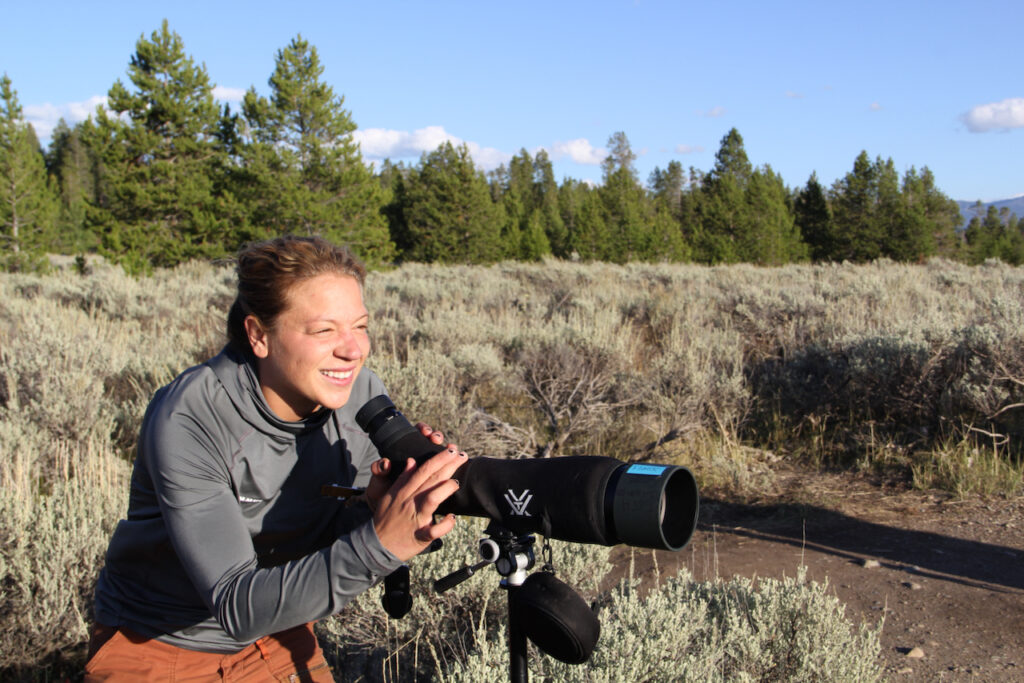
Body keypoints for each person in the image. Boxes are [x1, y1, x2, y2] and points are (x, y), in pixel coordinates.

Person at [85, 235, 465, 681]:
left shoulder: (359, 393)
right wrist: (381, 544)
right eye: (324, 330)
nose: (353, 349)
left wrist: (376, 509)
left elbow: (331, 535)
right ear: (258, 335)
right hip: (159, 643)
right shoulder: (192, 414)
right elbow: (236, 605)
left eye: (360, 325)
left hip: (279, 632)